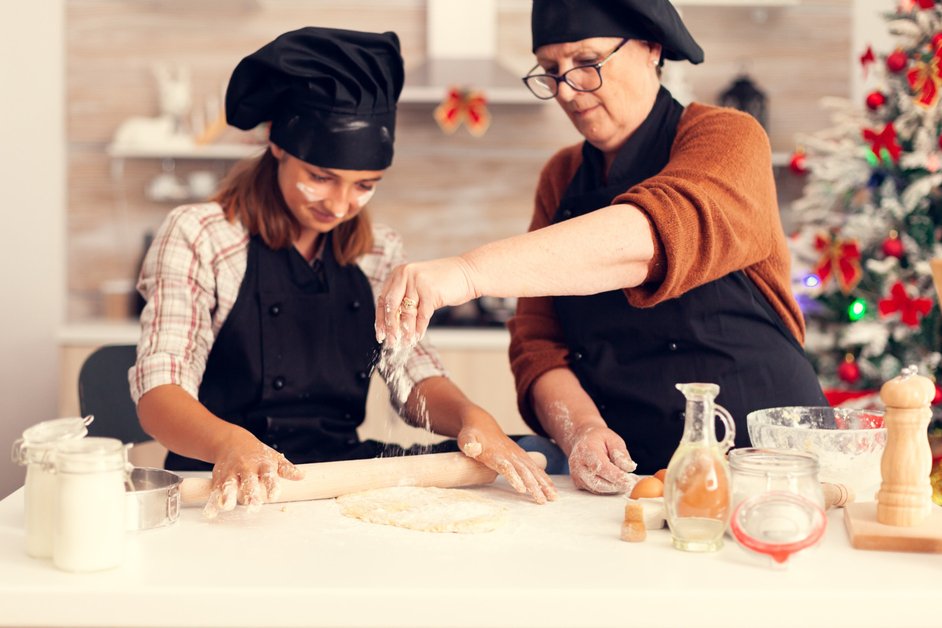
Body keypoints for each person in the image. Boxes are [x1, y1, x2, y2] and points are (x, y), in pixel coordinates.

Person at [374, 0, 828, 494]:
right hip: (627, 475)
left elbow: (653, 236)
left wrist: (467, 272)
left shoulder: (727, 136)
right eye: (551, 70)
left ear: (652, 48)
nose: (568, 90)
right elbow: (538, 343)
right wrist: (582, 430)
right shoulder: (562, 176)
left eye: (587, 63)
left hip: (761, 459)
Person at [130, 26, 556, 516]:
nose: (339, 204)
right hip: (220, 483)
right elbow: (159, 395)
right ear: (278, 146)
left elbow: (411, 375)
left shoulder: (378, 250)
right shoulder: (200, 234)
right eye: (320, 177)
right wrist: (230, 443)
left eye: (364, 185)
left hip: (334, 481)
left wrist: (471, 417)